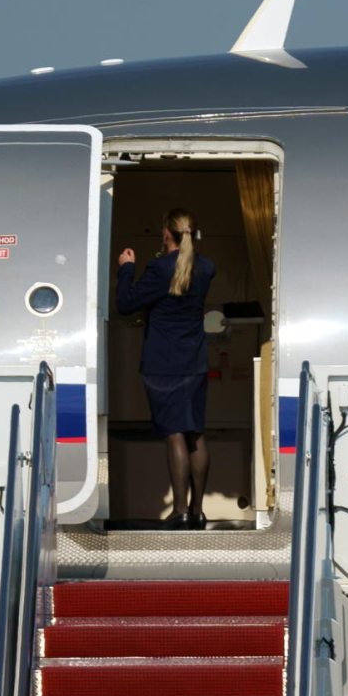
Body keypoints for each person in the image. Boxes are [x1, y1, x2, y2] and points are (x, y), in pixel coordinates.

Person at [115, 209, 218, 529]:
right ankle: (198, 511)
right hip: (195, 360)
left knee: (174, 435)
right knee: (195, 433)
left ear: (165, 234)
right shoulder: (207, 268)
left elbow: (126, 304)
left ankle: (180, 510)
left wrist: (126, 268)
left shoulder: (159, 269)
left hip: (162, 363)